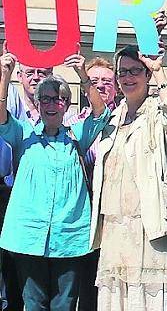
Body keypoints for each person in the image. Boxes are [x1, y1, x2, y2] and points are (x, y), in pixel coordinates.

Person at [0, 46, 109, 311]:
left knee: (65, 304)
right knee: (33, 303)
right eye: (46, 99)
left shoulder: (77, 135)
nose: (52, 104)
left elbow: (101, 113)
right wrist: (5, 76)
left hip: (70, 236)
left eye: (58, 99)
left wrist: (82, 74)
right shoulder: (22, 133)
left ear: (67, 105)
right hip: (28, 235)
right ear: (37, 103)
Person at [91, 44, 167, 310]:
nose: (128, 77)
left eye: (135, 71)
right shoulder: (112, 117)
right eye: (123, 72)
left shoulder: (157, 111)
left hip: (148, 225)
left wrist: (159, 72)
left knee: (147, 299)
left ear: (146, 76)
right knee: (115, 299)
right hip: (114, 225)